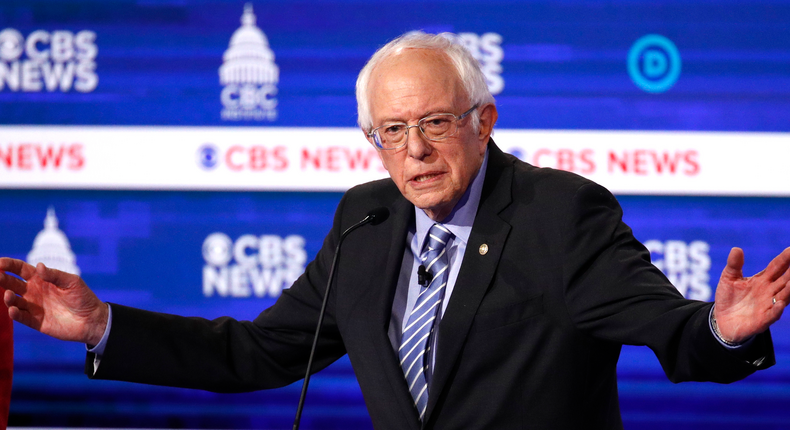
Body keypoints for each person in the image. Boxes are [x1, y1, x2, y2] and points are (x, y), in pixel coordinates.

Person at [1, 32, 789, 430]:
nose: (413, 150)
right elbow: (258, 352)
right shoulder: (365, 219)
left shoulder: (559, 213)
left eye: (437, 123)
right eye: (391, 130)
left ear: (484, 122)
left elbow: (666, 329)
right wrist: (102, 325)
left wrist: (720, 327)